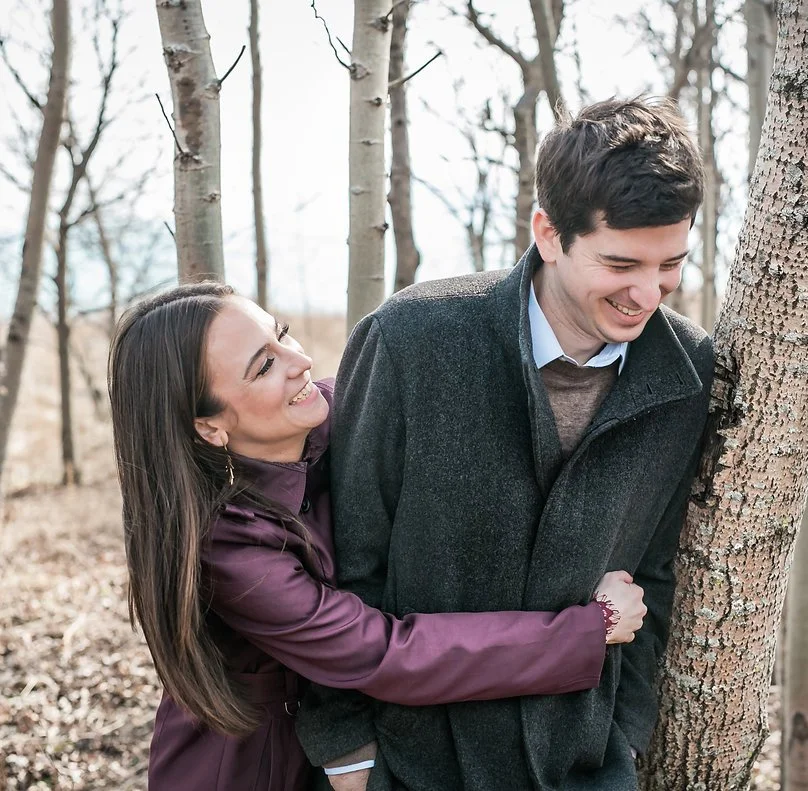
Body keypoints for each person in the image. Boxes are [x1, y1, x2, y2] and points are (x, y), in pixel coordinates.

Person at [298, 96, 714, 791]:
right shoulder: (411, 339)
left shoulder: (688, 371)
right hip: (410, 764)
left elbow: (660, 574)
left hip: (581, 765)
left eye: (670, 263)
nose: (649, 292)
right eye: (621, 264)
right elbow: (343, 560)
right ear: (548, 233)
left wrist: (628, 735)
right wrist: (347, 751)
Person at [107, 282, 649, 791]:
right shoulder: (227, 549)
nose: (301, 361)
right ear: (210, 427)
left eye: (283, 333)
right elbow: (382, 652)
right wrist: (585, 630)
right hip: (247, 765)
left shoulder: (344, 413)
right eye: (265, 366)